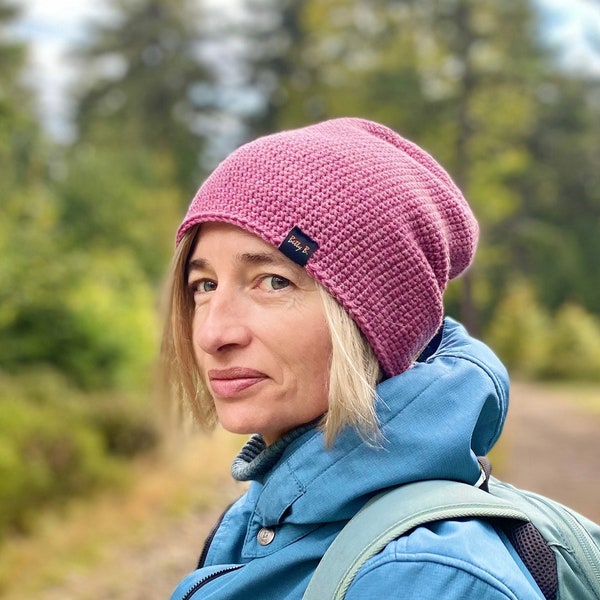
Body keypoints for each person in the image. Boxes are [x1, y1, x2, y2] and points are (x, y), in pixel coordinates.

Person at [162, 117, 543, 599]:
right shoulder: (255, 517)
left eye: (273, 281)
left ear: (373, 320)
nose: (214, 333)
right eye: (205, 285)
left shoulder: (423, 580)